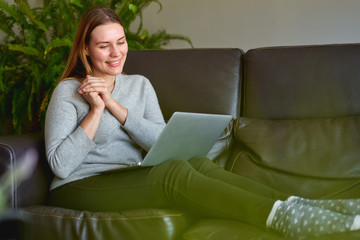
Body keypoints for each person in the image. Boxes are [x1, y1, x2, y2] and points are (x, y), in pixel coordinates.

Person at [45, 6, 360, 239]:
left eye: (121, 41)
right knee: (175, 173)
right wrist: (96, 111)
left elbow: (160, 142)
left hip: (127, 177)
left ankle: (304, 206)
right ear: (86, 48)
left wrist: (114, 105)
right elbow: (60, 165)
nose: (117, 53)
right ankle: (283, 219)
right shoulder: (68, 91)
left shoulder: (138, 84)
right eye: (104, 46)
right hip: (79, 185)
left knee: (199, 163)